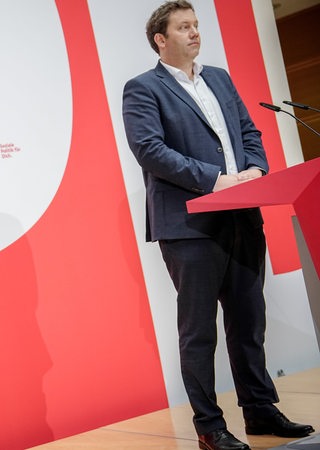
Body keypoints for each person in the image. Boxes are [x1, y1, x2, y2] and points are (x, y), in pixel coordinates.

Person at [121, 2, 314, 450]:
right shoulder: (142, 89)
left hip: (243, 215)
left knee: (249, 322)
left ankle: (261, 411)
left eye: (196, 25)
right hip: (190, 226)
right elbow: (150, 150)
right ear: (160, 40)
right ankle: (210, 426)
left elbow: (250, 132)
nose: (194, 33)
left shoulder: (219, 79)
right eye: (183, 27)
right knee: (199, 331)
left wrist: (255, 171)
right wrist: (216, 180)